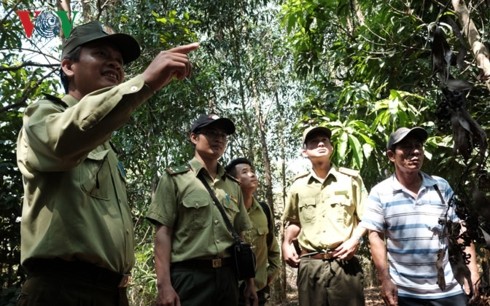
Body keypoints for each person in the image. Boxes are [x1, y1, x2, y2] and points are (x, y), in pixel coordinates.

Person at [16, 20, 198, 306]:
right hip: (62, 292)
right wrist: (144, 82)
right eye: (101, 54)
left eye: (119, 61)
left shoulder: (104, 141)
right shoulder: (43, 115)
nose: (114, 64)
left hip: (111, 293)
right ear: (68, 66)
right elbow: (65, 137)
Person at [146, 114, 258, 306]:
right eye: (211, 133)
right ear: (194, 137)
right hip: (190, 277)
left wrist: (250, 283)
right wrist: (164, 285)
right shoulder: (175, 179)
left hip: (228, 277)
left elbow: (240, 235)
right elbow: (163, 234)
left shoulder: (232, 185)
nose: (218, 139)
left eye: (223, 135)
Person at [360, 126, 479, 306]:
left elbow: (460, 228)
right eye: (406, 147)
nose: (415, 151)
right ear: (391, 155)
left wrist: (473, 271)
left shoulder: (440, 186)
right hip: (406, 293)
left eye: (418, 146)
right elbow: (375, 236)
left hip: (449, 290)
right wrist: (384, 280)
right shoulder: (380, 192)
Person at [281, 126, 368, 306]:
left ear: (332, 147)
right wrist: (286, 243)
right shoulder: (298, 185)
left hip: (344, 264)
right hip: (310, 264)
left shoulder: (351, 180)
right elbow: (294, 221)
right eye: (314, 141)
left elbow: (367, 218)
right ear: (304, 152)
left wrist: (355, 240)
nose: (321, 143)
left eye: (325, 140)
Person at [225, 158, 281, 306]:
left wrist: (267, 276)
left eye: (252, 171)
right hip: (230, 290)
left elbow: (272, 246)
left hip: (258, 290)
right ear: (234, 180)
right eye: (245, 172)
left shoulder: (263, 209)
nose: (252, 175)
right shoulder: (225, 212)